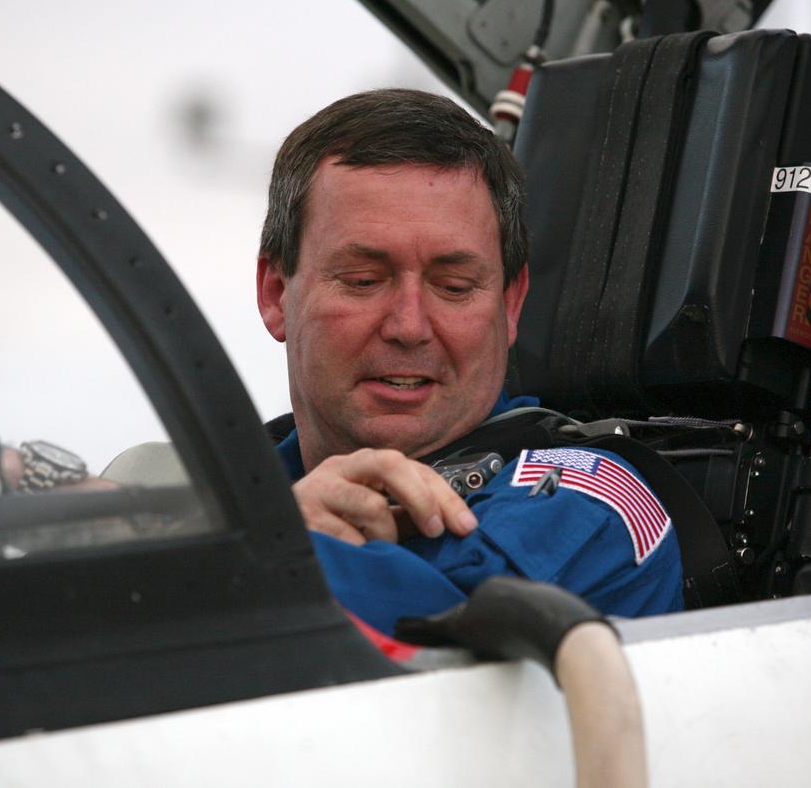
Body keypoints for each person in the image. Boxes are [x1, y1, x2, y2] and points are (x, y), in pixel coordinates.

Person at [255, 88, 683, 635]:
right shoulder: (224, 492)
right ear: (276, 293)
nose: (409, 326)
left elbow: (449, 626)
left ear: (510, 304)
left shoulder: (590, 507)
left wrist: (261, 548)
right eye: (363, 281)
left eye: (454, 286)